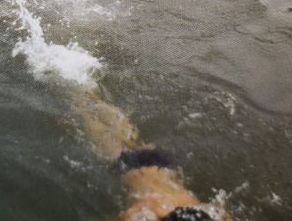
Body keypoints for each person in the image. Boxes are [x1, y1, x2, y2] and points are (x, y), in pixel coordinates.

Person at [74, 91, 224, 221]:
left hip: (161, 164)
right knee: (99, 130)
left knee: (126, 134)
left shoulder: (200, 209)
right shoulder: (142, 211)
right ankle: (79, 97)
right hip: (130, 166)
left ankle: (88, 93)